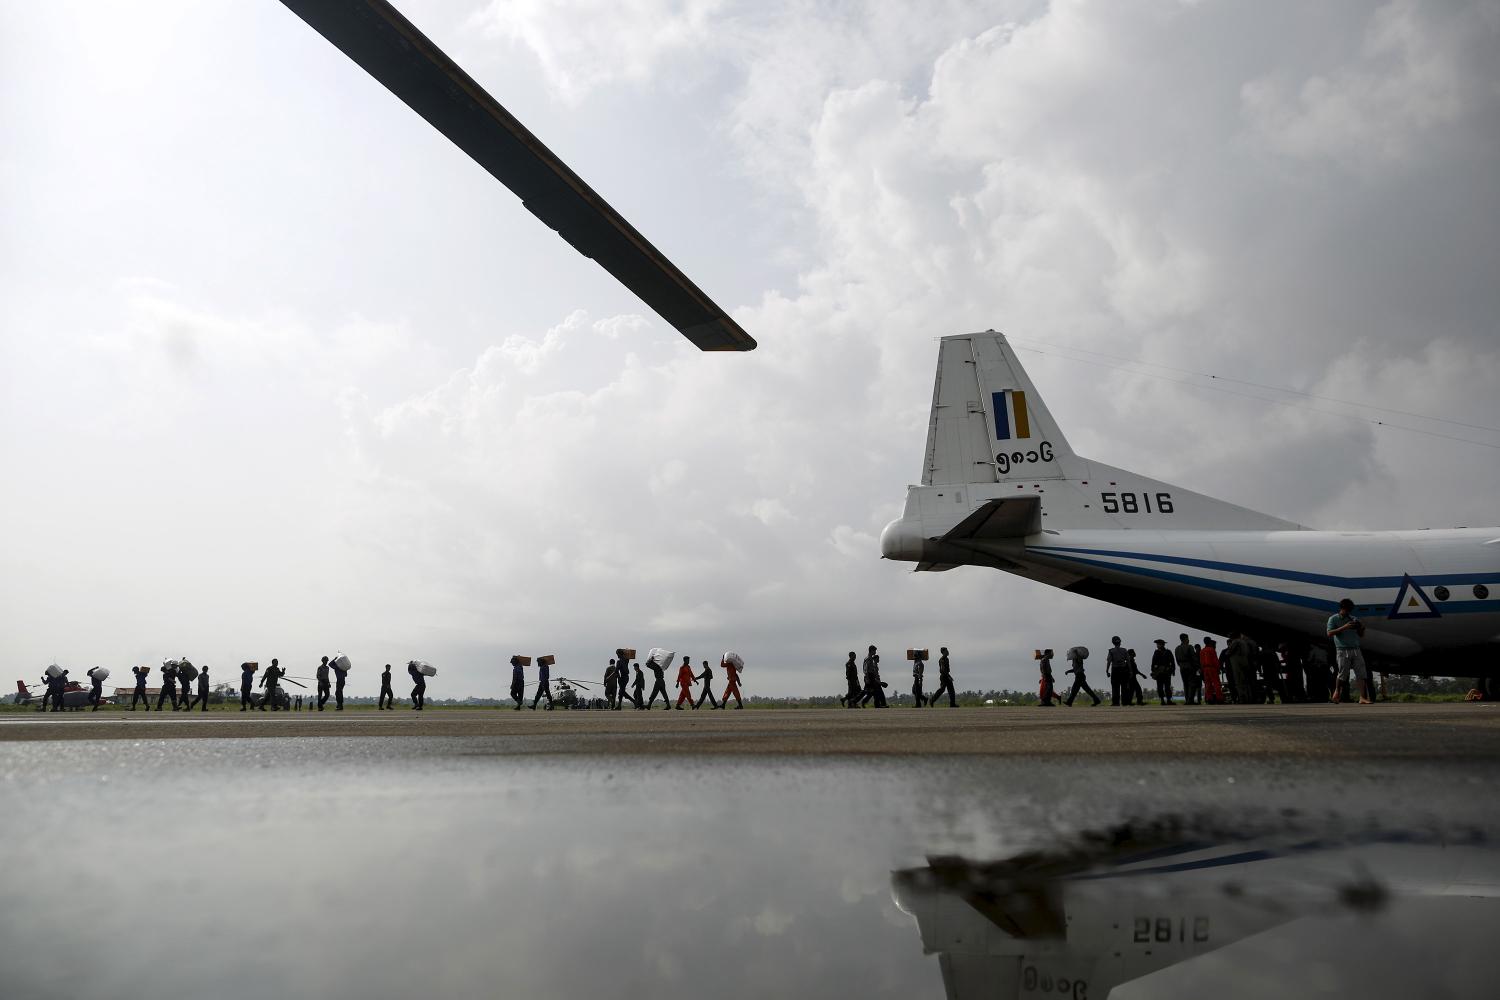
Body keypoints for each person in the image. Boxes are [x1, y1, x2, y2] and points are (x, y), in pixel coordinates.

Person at [1327, 598, 1372, 704]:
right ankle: (1337, 693)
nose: (1348, 613)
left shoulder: (1353, 619)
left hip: (1356, 649)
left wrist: (1361, 628)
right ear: (1341, 608)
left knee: (1361, 673)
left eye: (1349, 610)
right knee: (1343, 674)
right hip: (1342, 650)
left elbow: (1361, 635)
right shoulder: (1333, 619)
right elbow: (1329, 633)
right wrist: (1344, 627)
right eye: (1346, 610)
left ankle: (1362, 697)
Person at [1175, 634, 1200, 705]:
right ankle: (1190, 700)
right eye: (1188, 638)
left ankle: (1187, 700)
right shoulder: (1190, 647)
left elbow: (1177, 660)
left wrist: (1181, 665)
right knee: (1192, 683)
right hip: (1190, 667)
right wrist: (1198, 667)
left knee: (1185, 684)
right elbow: (1194, 658)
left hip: (1182, 667)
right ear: (1186, 639)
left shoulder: (1177, 648)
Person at [1105, 637, 1129, 707]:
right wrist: (1130, 671)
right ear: (1120, 642)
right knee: (1124, 686)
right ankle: (1124, 702)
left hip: (1115, 670)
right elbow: (1128, 661)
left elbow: (1109, 661)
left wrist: (1107, 670)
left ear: (1113, 643)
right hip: (1123, 670)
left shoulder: (1111, 651)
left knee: (1115, 687)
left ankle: (1116, 702)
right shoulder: (1124, 650)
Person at [1150, 640, 1175, 705]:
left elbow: (1172, 662)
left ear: (1162, 645)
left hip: (1166, 672)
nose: (1157, 645)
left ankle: (1168, 700)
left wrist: (1173, 670)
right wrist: (1153, 672)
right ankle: (1162, 700)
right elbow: (1153, 663)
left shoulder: (1168, 652)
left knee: (1167, 687)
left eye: (1158, 644)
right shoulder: (1156, 652)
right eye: (1157, 644)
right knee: (1160, 687)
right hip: (1159, 673)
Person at [1199, 638, 1223, 704]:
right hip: (1212, 668)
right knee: (1216, 684)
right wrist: (1218, 669)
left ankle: (1209, 699)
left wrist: (1202, 670)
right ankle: (1219, 699)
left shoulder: (1202, 651)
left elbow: (1201, 662)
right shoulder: (1212, 650)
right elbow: (1215, 661)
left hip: (1205, 669)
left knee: (1208, 684)